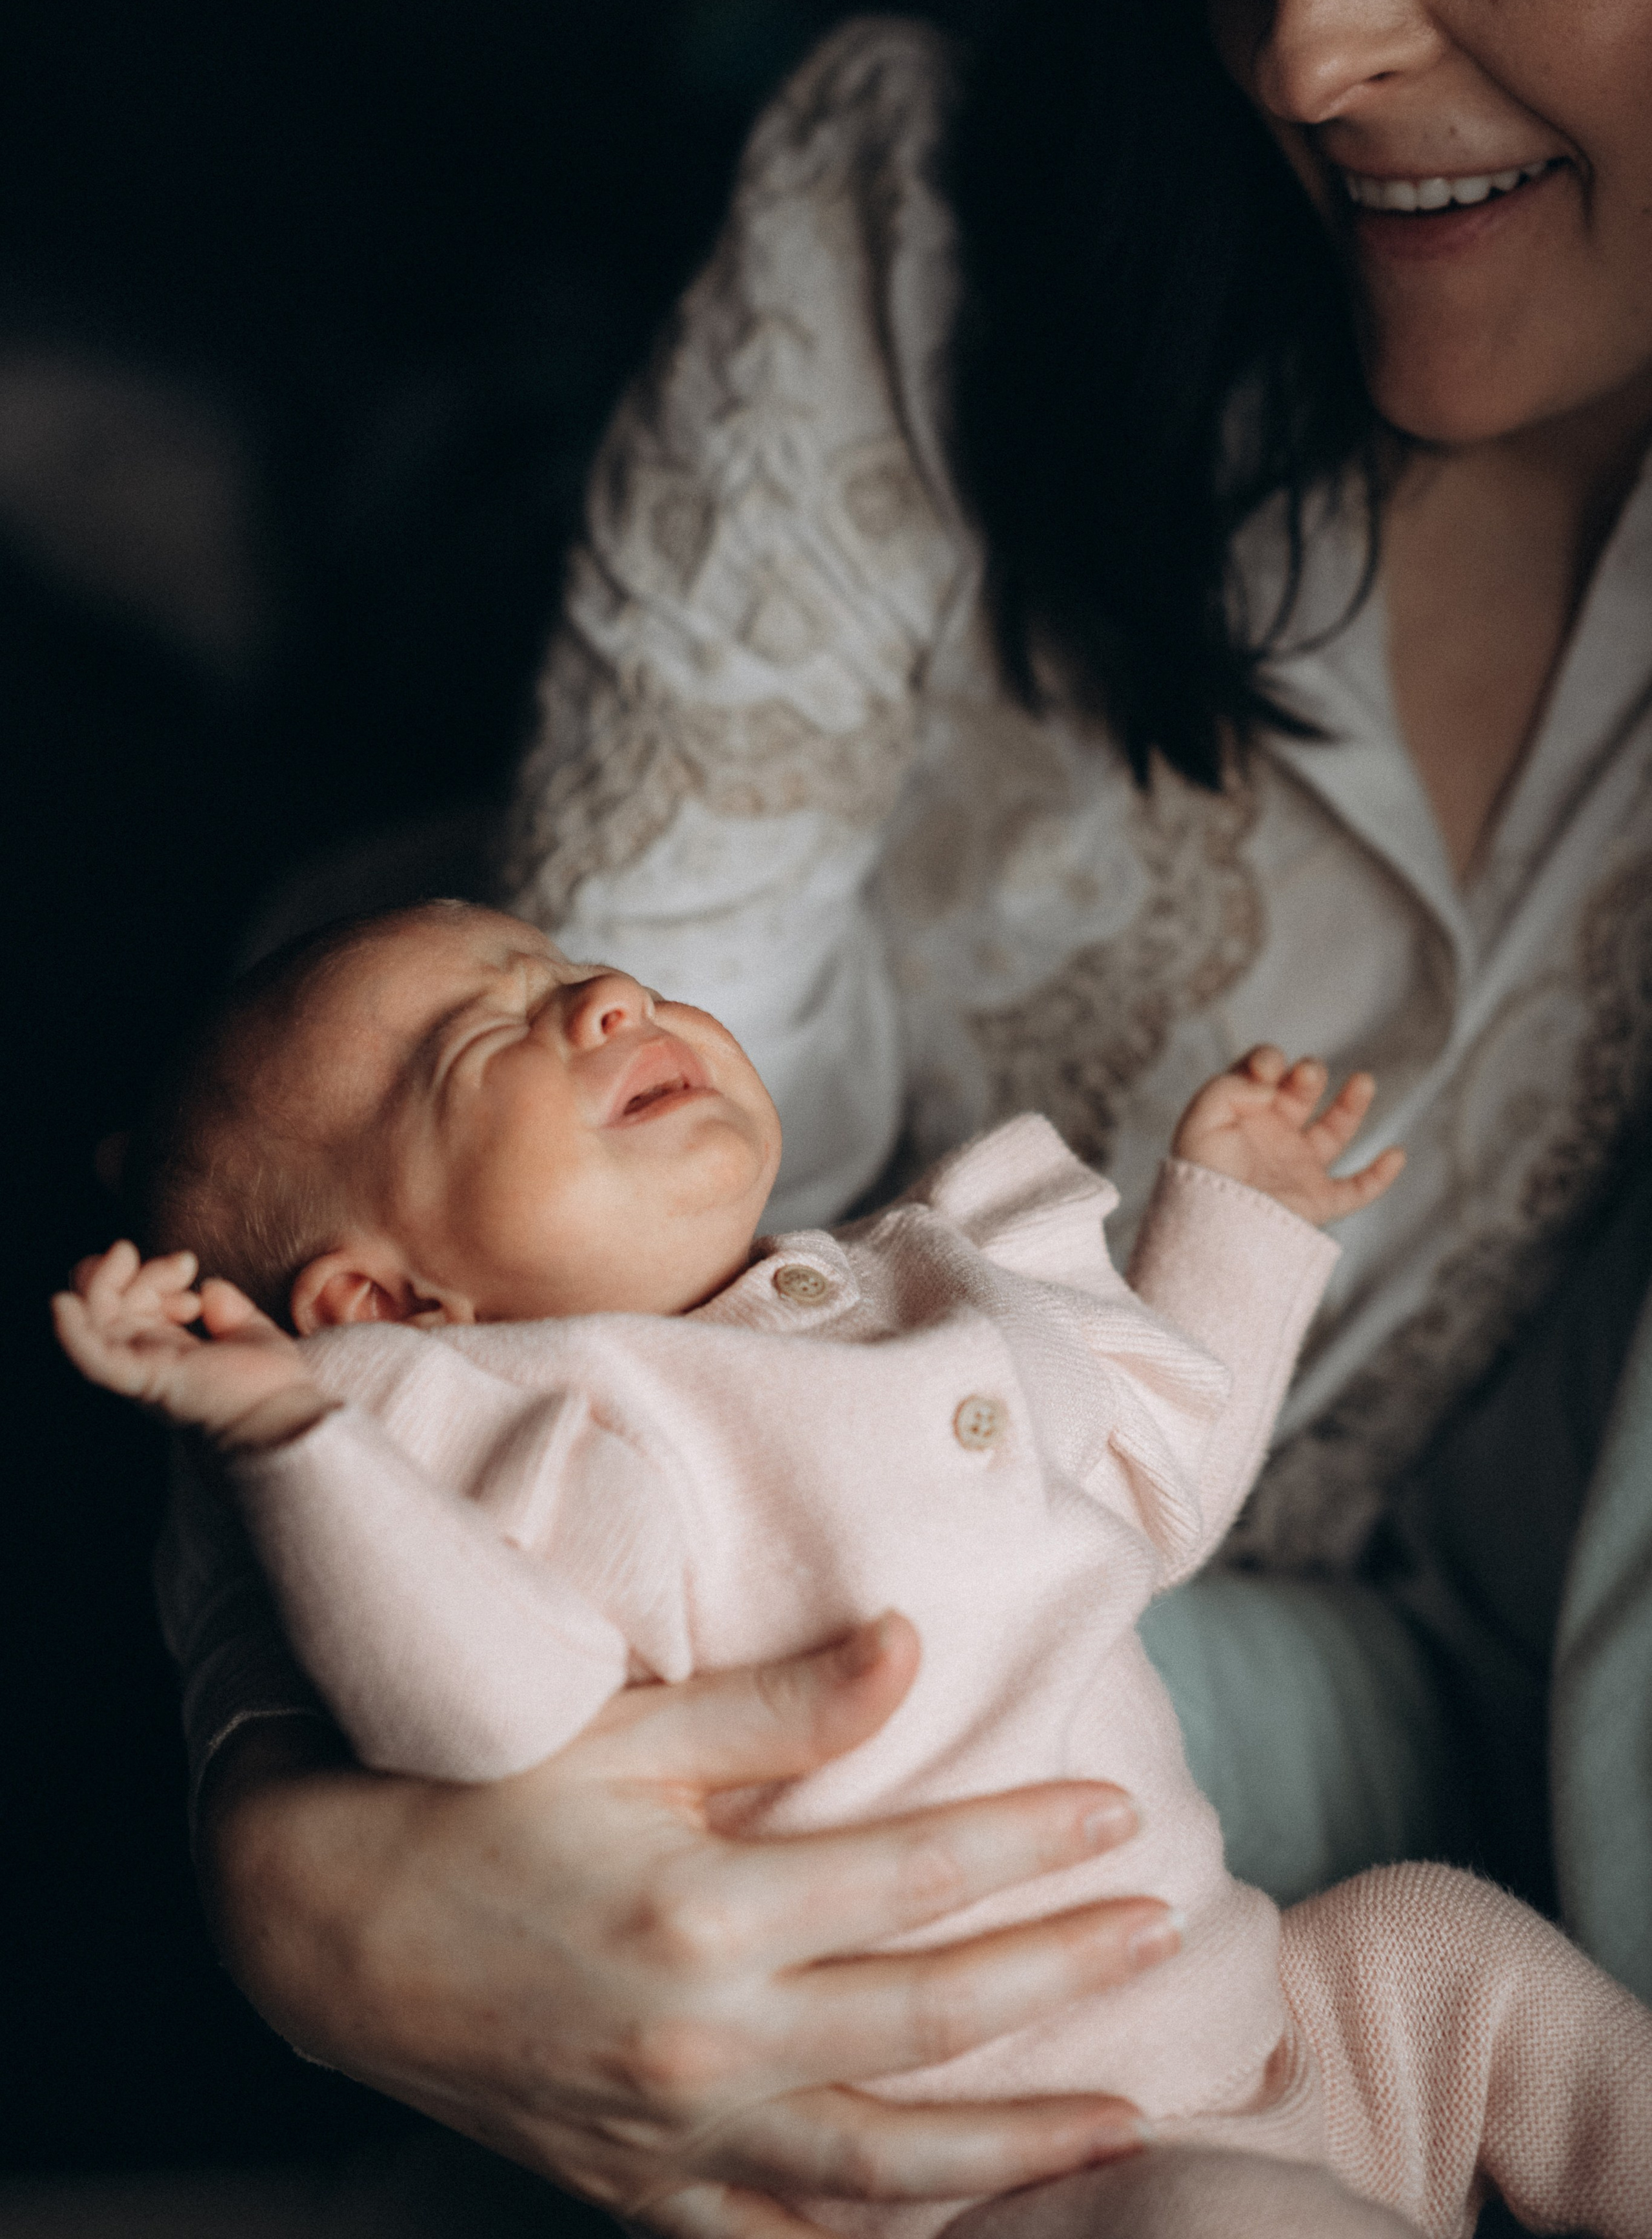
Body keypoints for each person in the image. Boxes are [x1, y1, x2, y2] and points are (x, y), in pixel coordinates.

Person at [170, 0, 1652, 2232]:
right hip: (766, 1675)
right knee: (385, 745)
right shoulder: (929, 222)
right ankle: (268, 488)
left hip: (1252, 1706)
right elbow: (495, 1315)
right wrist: (287, 1844)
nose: (1299, 41)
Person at [57, 900, 1652, 2239]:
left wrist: (1235, 1219)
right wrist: (299, 1444)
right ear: (392, 1315)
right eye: (493, 1041)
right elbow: (487, 1710)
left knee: (1445, 1948)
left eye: (567, 972)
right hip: (1030, 2175)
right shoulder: (560, 1437)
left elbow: (1150, 1489)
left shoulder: (916, 1285)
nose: (605, 997)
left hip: (1281, 2021)